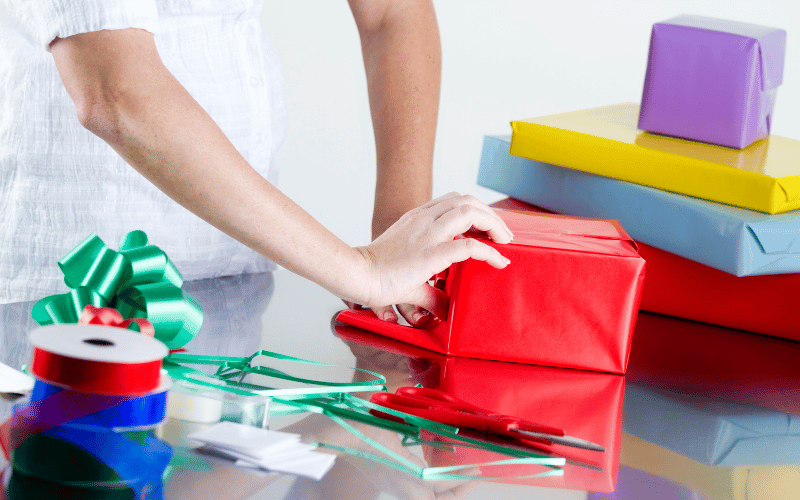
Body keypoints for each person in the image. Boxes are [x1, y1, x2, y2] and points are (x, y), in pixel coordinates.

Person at [0, 0, 512, 323]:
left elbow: (390, 12)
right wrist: (365, 272)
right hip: (80, 284)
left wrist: (401, 227)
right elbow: (116, 95)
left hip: (241, 272)